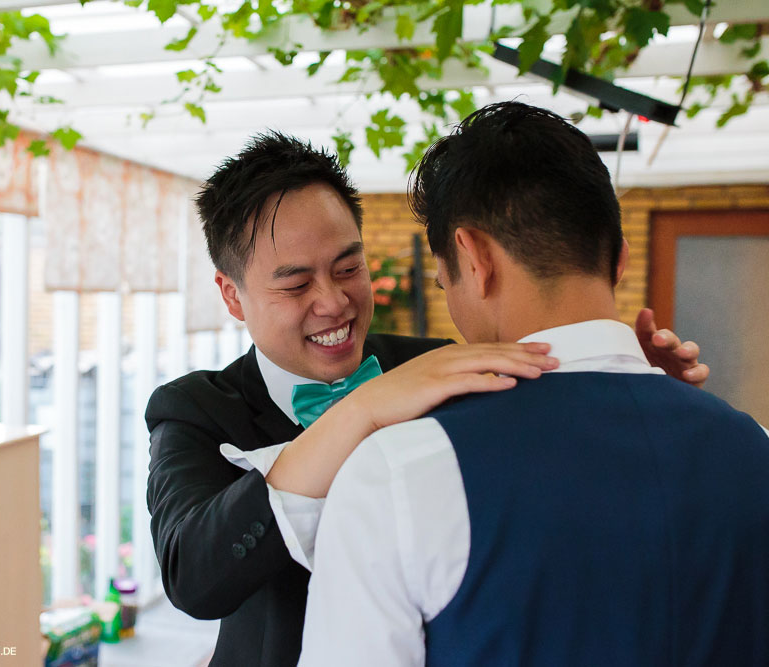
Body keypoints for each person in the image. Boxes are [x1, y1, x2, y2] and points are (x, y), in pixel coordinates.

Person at [145, 132, 709, 667]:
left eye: (349, 267)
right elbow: (194, 577)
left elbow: (556, 464)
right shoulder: (193, 408)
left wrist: (624, 385)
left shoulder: (437, 363)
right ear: (231, 295)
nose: (334, 301)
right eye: (295, 285)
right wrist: (360, 412)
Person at [298, 102, 769, 666]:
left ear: (474, 259)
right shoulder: (755, 447)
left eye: (443, 277)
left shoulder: (399, 471)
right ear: (618, 260)